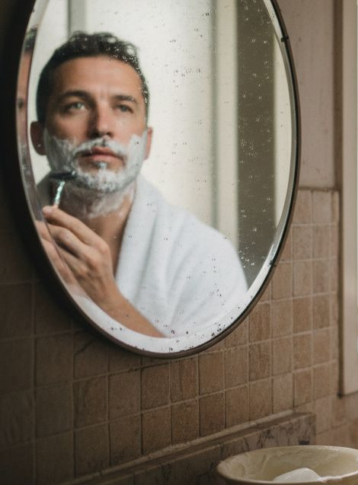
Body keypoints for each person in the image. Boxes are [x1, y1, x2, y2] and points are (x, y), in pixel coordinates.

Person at [30, 31, 248, 338]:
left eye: (122, 107)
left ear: (147, 142)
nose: (101, 127)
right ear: (38, 137)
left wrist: (106, 299)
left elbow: (207, 381)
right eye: (76, 105)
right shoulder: (12, 239)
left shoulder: (205, 256)